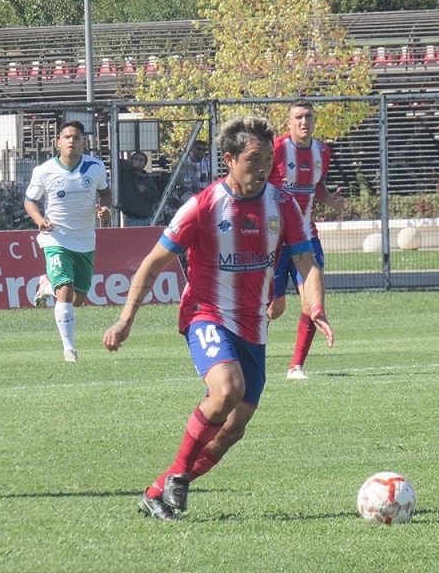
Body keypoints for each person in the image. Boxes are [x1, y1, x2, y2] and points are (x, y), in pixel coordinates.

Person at [103, 115, 333, 521]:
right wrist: (126, 319)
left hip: (253, 326)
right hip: (206, 314)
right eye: (254, 159)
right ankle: (176, 478)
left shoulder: (282, 205)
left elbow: (304, 259)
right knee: (226, 389)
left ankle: (160, 489)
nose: (263, 169)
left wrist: (315, 307)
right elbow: (153, 264)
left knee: (232, 431)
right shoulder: (204, 205)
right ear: (228, 159)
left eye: (267, 161)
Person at [267, 99, 345, 379]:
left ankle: (296, 366)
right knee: (274, 309)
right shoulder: (275, 149)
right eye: (298, 117)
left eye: (308, 116)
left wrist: (330, 200)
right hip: (275, 239)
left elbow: (318, 188)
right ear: (288, 123)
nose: (304, 121)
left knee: (311, 303)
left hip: (307, 237)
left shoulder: (322, 151)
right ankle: (243, 348)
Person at [24, 120, 113, 362]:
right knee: (64, 290)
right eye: (67, 137)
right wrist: (39, 219)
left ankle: (46, 285)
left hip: (84, 239)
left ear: (84, 142)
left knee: (78, 299)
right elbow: (30, 201)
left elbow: (105, 193)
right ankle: (69, 349)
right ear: (58, 142)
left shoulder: (95, 167)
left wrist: (105, 209)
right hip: (56, 237)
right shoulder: (44, 171)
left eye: (76, 137)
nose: (71, 141)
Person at [119, 151, 160, 227]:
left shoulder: (148, 179)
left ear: (144, 164)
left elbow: (156, 197)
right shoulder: (126, 175)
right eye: (136, 159)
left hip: (147, 219)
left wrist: (146, 191)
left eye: (141, 160)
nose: (138, 162)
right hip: (130, 218)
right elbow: (116, 163)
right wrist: (131, 164)